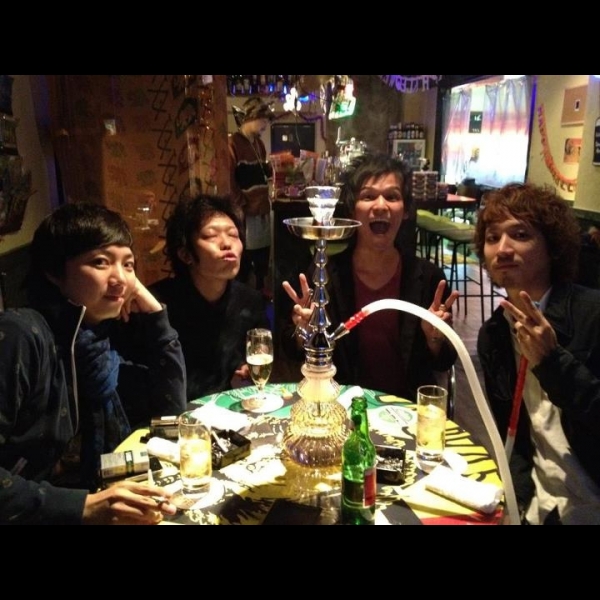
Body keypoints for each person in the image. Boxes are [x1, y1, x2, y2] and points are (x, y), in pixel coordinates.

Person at [0, 202, 186, 525]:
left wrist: (156, 315)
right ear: (54, 271)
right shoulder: (21, 335)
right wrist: (84, 506)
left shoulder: (95, 340)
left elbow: (170, 414)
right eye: (100, 262)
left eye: (128, 265)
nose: (121, 279)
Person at [282, 152, 459, 401]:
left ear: (405, 211)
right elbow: (293, 353)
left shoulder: (429, 278)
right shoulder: (325, 276)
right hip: (343, 404)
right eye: (368, 196)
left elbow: (444, 362)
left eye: (392, 196)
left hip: (406, 408)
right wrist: (303, 332)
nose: (380, 206)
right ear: (352, 211)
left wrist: (435, 339)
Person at [474, 182, 600, 525]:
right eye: (492, 237)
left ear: (552, 247)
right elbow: (513, 440)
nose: (503, 249)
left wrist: (553, 362)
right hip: (535, 508)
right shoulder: (495, 336)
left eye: (520, 235)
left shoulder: (592, 315)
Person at [149, 194, 270, 402]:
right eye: (211, 236)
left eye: (234, 235)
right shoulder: (157, 305)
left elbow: (254, 355)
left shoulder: (251, 301)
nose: (227, 243)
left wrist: (245, 370)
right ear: (186, 254)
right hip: (173, 414)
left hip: (227, 409)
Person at [228, 96, 275, 297]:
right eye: (263, 120)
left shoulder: (259, 144)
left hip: (262, 205)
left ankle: (260, 291)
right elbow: (229, 180)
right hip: (246, 211)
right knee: (246, 255)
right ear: (252, 116)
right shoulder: (232, 144)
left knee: (263, 252)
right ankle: (245, 295)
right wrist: (240, 205)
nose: (265, 125)